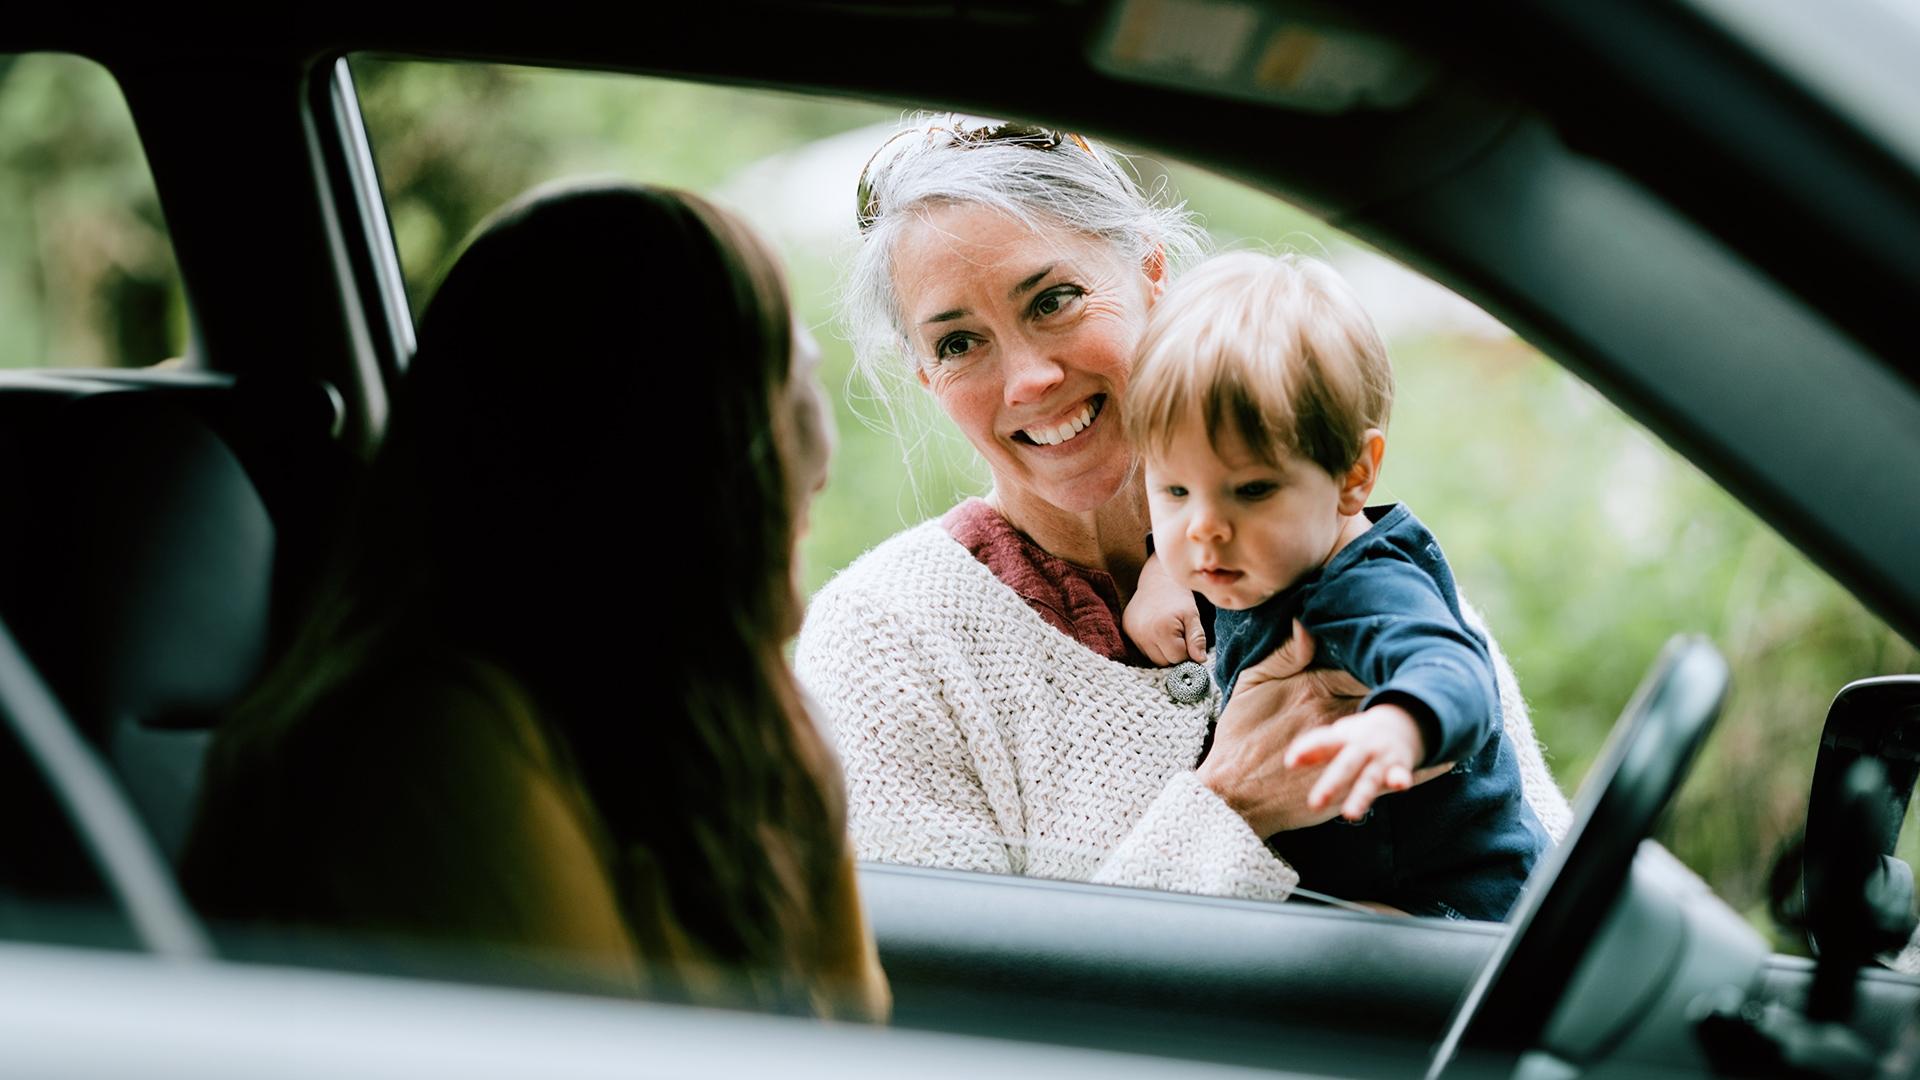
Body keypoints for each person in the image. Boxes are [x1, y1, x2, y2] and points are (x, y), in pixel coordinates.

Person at [797, 115, 1571, 907]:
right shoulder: (884, 645)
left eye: (1054, 300)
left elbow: (1539, 865)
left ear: (1152, 273)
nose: (1028, 379)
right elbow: (959, 1007)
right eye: (958, 343)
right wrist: (1232, 802)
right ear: (925, 377)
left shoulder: (1328, 545)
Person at [182, 181, 888, 1020]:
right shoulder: (432, 750)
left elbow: (847, 1036)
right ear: (649, 465)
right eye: (781, 395)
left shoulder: (720, 717)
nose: (821, 454)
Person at [1124, 250, 1548, 920]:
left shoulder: (1366, 588)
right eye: (1175, 489)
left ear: (1354, 476)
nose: (1203, 532)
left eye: (1252, 489)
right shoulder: (1255, 551)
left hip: (1458, 918)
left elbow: (1452, 670)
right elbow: (1186, 537)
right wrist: (1160, 573)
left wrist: (1397, 726)